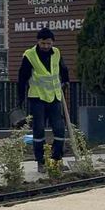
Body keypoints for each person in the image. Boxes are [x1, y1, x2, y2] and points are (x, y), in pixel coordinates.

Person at [17, 28, 69, 173]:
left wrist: (66, 81)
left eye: (48, 43)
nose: (46, 46)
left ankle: (57, 160)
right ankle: (41, 162)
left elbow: (63, 69)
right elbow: (22, 77)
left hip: (54, 97)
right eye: (43, 43)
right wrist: (20, 98)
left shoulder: (56, 52)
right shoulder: (30, 55)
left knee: (59, 129)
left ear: (53, 43)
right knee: (38, 130)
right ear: (38, 42)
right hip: (37, 98)